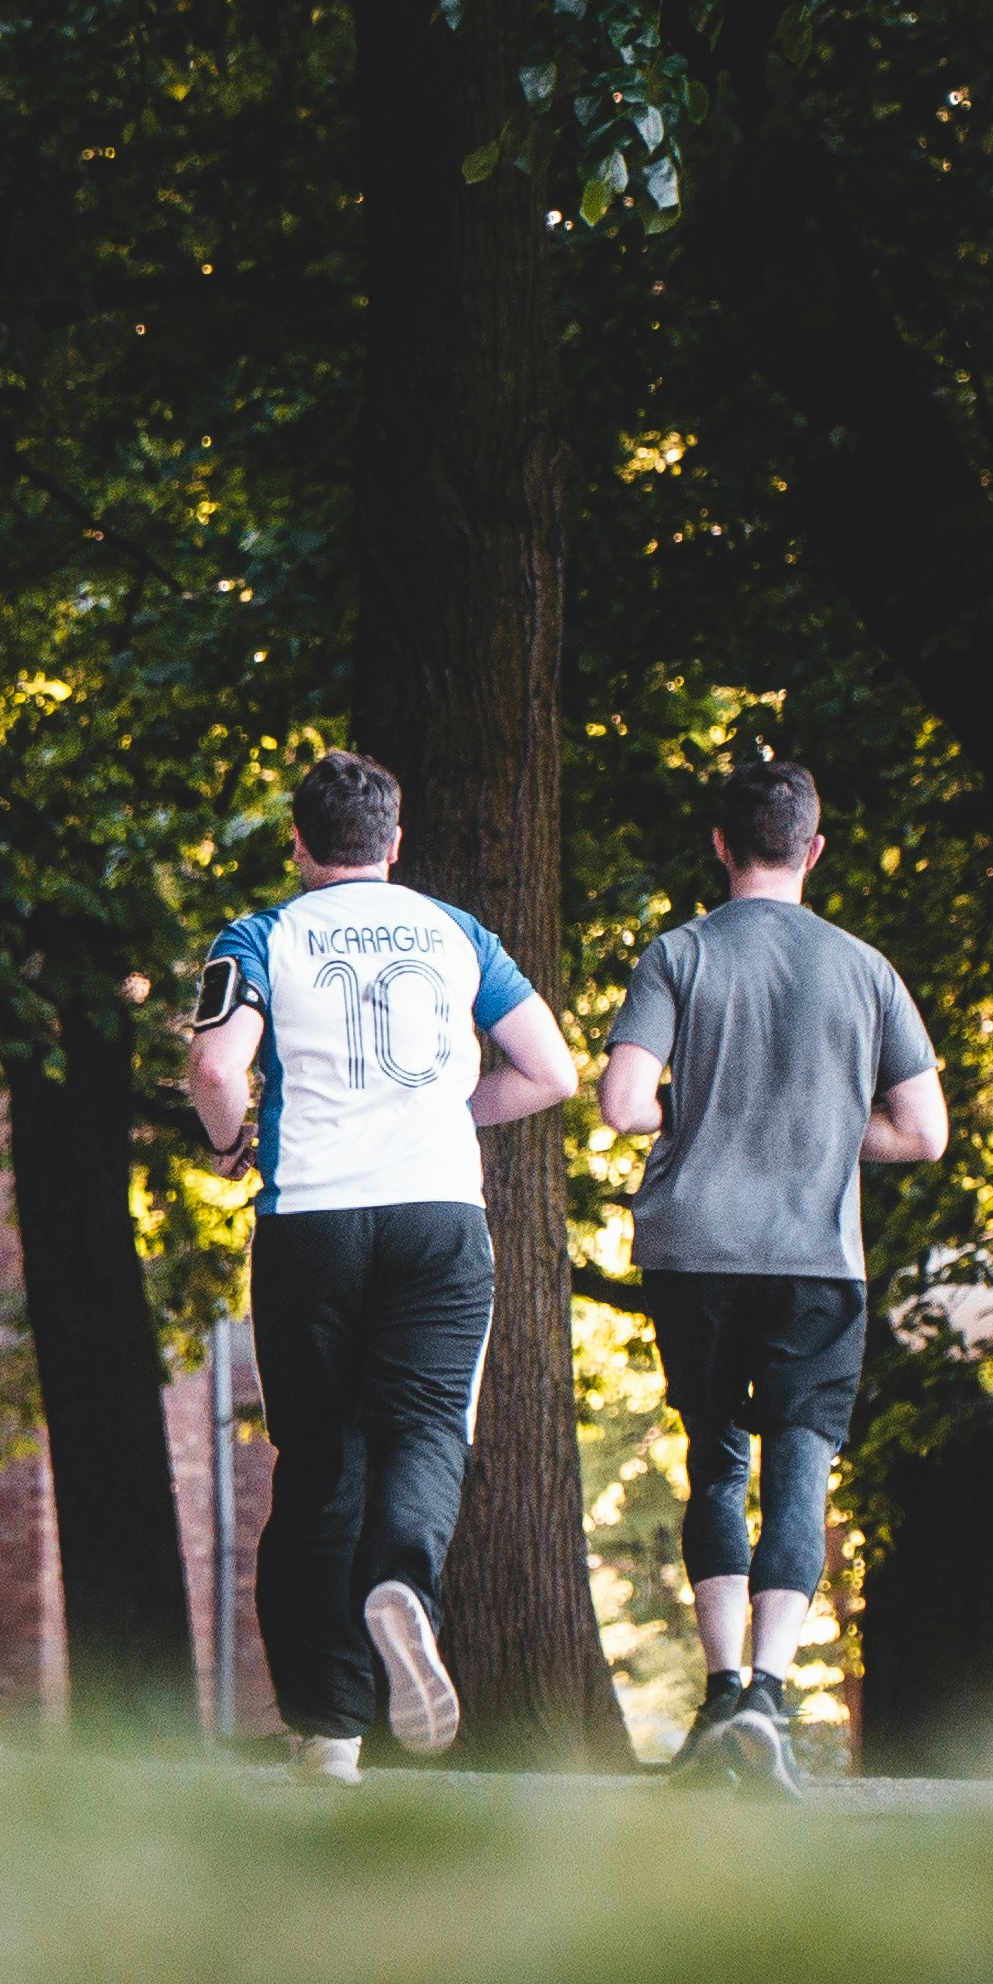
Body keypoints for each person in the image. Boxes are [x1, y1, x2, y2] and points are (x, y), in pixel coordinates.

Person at [186, 747, 578, 1779]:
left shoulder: (261, 934)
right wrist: (457, 1112)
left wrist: (231, 1146)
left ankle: (328, 1736)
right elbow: (550, 1072)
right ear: (394, 844)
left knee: (318, 1467)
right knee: (424, 1429)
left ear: (299, 843)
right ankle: (402, 1584)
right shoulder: (458, 933)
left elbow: (218, 1065)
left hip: (310, 1218)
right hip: (436, 1216)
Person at [598, 755, 947, 1790]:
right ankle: (770, 1700)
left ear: (718, 845)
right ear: (814, 850)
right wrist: (829, 1134)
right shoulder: (866, 970)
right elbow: (922, 1133)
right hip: (813, 1259)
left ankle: (714, 1704)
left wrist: (706, 1117)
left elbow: (622, 1103)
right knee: (799, 1466)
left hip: (693, 1248)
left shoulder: (678, 954)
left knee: (716, 1459)